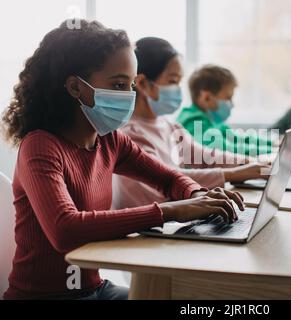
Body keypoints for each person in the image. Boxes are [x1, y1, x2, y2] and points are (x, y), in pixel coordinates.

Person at [1, 20, 243, 300]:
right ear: (75, 87)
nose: (128, 96)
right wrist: (171, 211)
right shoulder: (40, 146)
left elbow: (168, 177)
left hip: (94, 288)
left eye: (130, 85)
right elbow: (65, 229)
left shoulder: (110, 140)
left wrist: (199, 196)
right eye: (118, 84)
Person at [113, 38, 268, 209]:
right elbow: (166, 177)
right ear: (142, 83)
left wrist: (246, 162)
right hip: (148, 229)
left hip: (173, 215)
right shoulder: (130, 133)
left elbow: (203, 155)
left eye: (179, 82)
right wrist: (233, 174)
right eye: (172, 81)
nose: (178, 89)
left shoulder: (167, 125)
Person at [177, 65, 274, 156]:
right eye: (228, 98)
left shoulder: (213, 120)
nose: (232, 104)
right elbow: (224, 150)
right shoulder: (193, 121)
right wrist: (271, 151)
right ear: (207, 97)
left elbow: (236, 138)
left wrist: (273, 143)